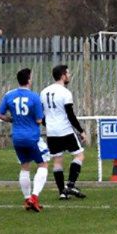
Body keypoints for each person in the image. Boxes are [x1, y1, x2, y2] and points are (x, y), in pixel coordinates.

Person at [0, 68, 49, 212]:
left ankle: (27, 199)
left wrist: (12, 120)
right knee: (43, 165)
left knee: (25, 166)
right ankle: (34, 197)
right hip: (32, 137)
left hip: (17, 138)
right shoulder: (34, 97)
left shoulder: (9, 96)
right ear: (29, 80)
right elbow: (39, 120)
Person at [41, 65, 87, 200]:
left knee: (57, 161)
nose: (70, 75)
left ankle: (62, 192)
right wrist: (81, 130)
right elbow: (70, 114)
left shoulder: (44, 92)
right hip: (65, 130)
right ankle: (71, 184)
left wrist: (48, 124)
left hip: (51, 132)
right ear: (63, 76)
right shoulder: (65, 93)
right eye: (68, 73)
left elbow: (41, 114)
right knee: (79, 156)